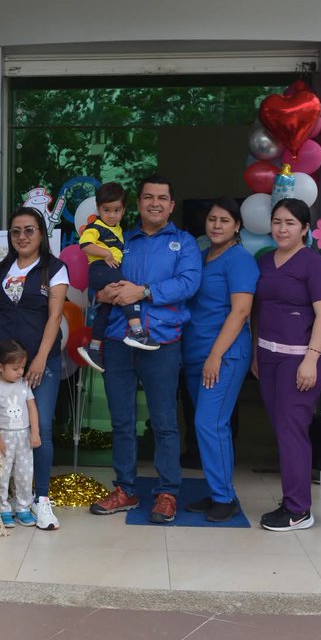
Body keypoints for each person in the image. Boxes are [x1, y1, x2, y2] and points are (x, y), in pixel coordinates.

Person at [89, 175, 201, 524]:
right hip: (118, 340)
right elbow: (98, 276)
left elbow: (188, 283)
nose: (155, 203)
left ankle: (167, 492)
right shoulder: (121, 239)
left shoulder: (184, 243)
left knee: (165, 422)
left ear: (171, 204)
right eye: (148, 197)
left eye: (162, 198)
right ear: (137, 204)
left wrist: (145, 292)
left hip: (161, 342)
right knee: (122, 422)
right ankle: (125, 488)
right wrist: (101, 294)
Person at [252, 198, 321, 532]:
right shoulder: (264, 262)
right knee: (283, 431)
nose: (281, 228)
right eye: (277, 221)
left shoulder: (314, 265)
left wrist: (311, 360)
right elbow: (259, 311)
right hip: (268, 357)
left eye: (289, 223)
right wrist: (258, 355)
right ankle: (292, 500)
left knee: (291, 433)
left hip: (300, 359)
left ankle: (298, 510)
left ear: (304, 229)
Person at [0, 207, 68, 531]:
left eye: (29, 230)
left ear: (41, 234)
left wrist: (40, 358)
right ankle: (4, 499)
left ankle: (41, 500)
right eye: (16, 231)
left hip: (38, 365)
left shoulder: (54, 269)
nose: (22, 236)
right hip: (3, 367)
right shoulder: (0, 269)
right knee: (2, 429)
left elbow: (55, 316)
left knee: (40, 429)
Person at [181, 197, 258, 523]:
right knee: (210, 425)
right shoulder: (201, 256)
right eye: (212, 219)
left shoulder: (239, 260)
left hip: (224, 355)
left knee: (209, 423)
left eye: (224, 220)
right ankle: (218, 491)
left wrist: (215, 355)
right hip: (195, 352)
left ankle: (225, 498)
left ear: (237, 226)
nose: (216, 225)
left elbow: (241, 311)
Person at [76, 182, 158, 373]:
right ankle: (137, 332)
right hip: (100, 268)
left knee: (105, 310)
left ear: (123, 210)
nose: (112, 215)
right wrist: (105, 253)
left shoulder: (119, 229)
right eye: (107, 210)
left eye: (116, 210)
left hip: (105, 270)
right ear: (98, 209)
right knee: (126, 289)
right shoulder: (96, 226)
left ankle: (94, 348)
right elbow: (84, 244)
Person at [0, 339, 41, 528]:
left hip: (23, 437)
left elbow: (32, 408)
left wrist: (35, 433)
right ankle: (3, 508)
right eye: (16, 368)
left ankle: (23, 508)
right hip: (5, 436)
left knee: (25, 473)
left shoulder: (23, 385)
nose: (21, 372)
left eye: (22, 368)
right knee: (2, 475)